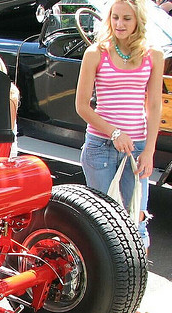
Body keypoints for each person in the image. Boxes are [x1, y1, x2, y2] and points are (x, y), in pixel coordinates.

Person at [75, 0, 163, 250]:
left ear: (138, 21)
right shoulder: (96, 53)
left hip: (136, 148)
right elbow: (82, 106)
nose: (119, 24)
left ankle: (136, 286)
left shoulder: (153, 55)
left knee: (137, 220)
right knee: (103, 224)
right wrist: (113, 132)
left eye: (126, 18)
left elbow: (154, 105)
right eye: (115, 17)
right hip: (100, 146)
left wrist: (149, 151)